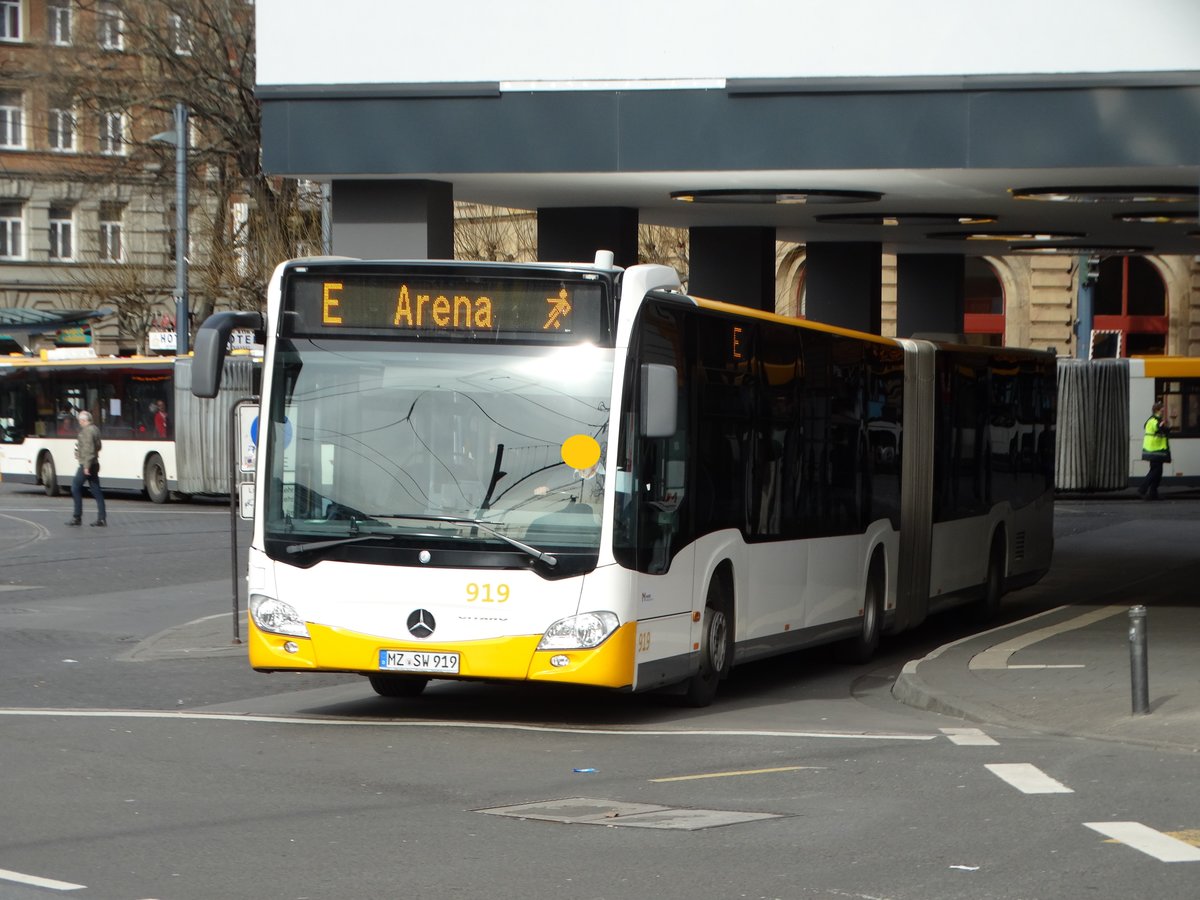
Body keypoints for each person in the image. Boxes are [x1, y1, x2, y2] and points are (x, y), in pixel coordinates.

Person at [66, 410, 107, 527]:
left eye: (80, 420)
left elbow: (89, 450)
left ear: (84, 420)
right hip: (94, 463)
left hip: (86, 464)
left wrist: (86, 466)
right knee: (96, 490)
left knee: (75, 487)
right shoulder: (95, 429)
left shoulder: (87, 431)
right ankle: (102, 518)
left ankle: (77, 516)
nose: (79, 423)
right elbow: (98, 446)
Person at [1138, 399, 1171, 501]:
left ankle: (1153, 493)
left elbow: (1163, 430)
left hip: (1156, 451)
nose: (1163, 411)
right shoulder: (1153, 421)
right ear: (1157, 410)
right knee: (1155, 472)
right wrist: (1164, 425)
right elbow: (1159, 428)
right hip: (1154, 450)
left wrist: (1166, 426)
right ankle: (1142, 489)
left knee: (1157, 472)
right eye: (1162, 410)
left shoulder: (1156, 420)